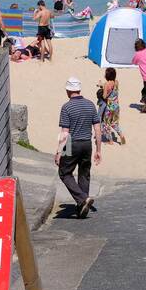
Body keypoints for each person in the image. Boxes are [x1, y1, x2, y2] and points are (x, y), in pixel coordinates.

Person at [57, 76, 101, 217]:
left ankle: (82, 199)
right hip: (87, 144)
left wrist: (59, 152)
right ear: (79, 89)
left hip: (71, 143)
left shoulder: (67, 107)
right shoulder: (90, 105)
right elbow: (98, 129)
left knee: (64, 172)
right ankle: (82, 206)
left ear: (68, 90)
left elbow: (65, 133)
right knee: (84, 173)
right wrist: (99, 150)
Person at [97, 66, 125, 144]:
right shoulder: (116, 82)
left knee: (105, 124)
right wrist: (102, 85)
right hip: (116, 105)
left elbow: (105, 96)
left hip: (109, 107)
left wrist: (102, 89)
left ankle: (110, 140)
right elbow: (111, 88)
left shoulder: (106, 84)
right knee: (115, 123)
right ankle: (121, 135)